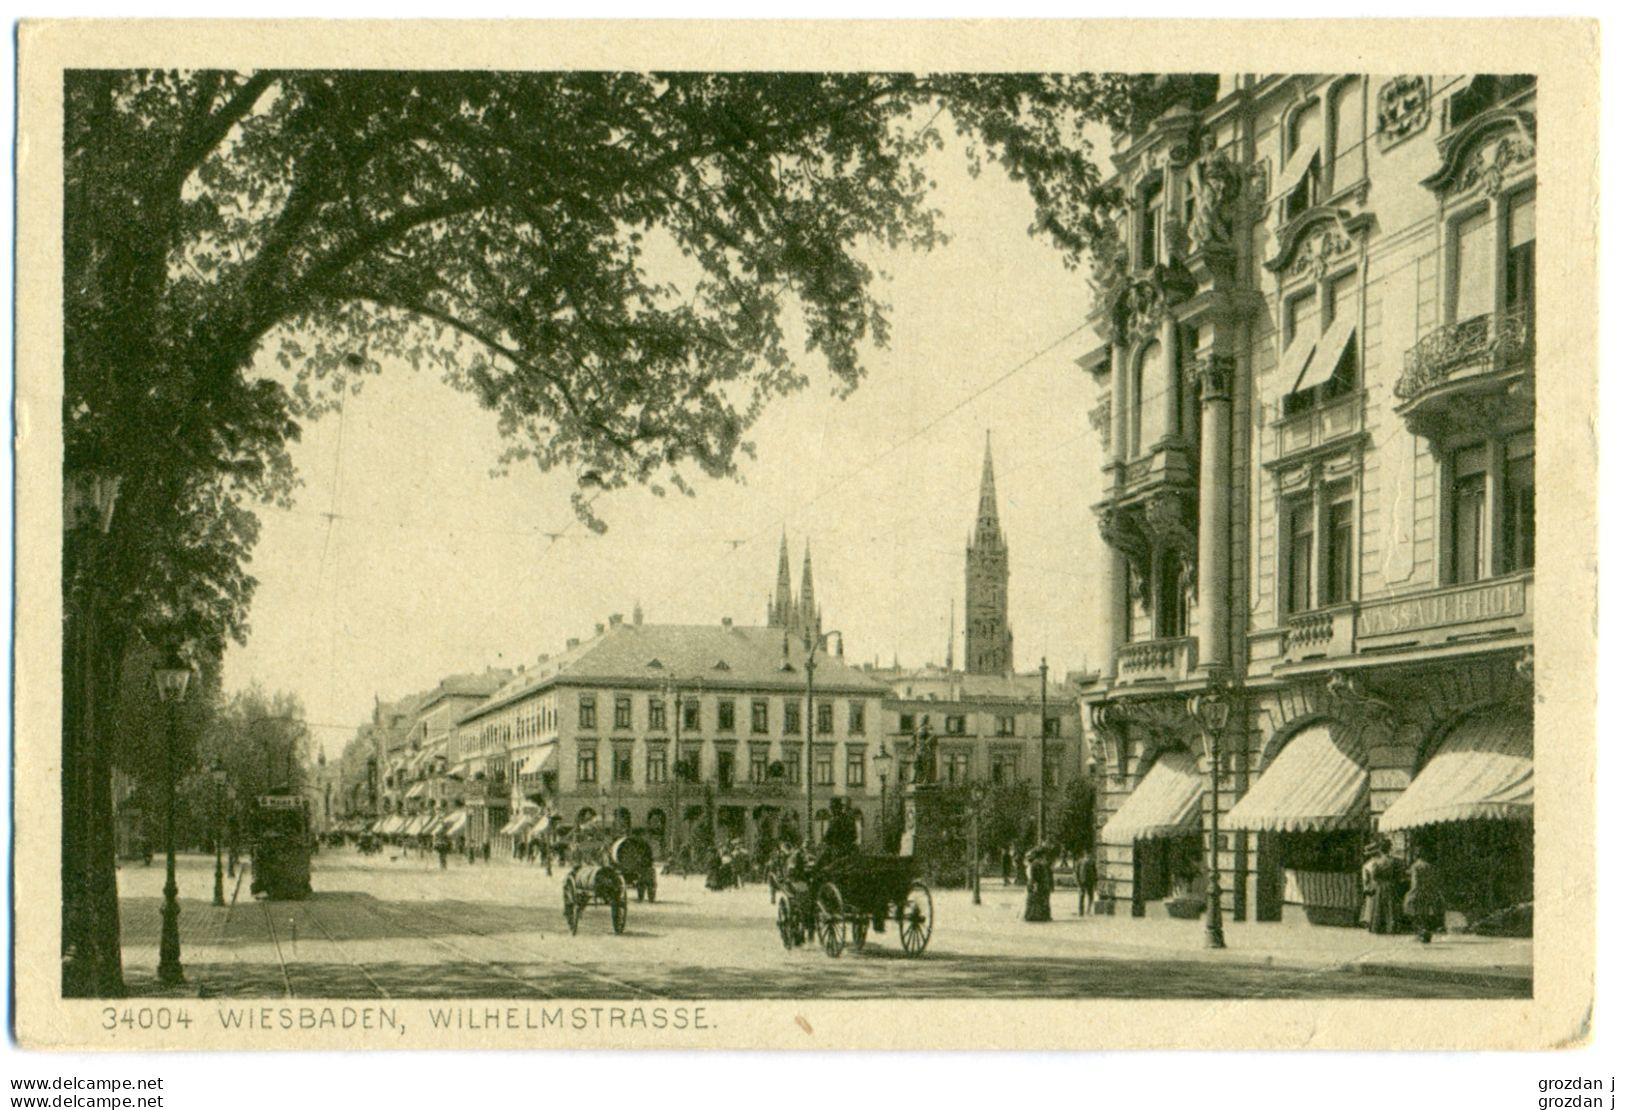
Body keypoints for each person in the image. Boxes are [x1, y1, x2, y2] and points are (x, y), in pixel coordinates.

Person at [1364, 838, 1404, 935]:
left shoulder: (1376, 862)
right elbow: (1398, 875)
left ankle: (1378, 927)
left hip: (1380, 886)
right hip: (1391, 885)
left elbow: (1374, 876)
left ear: (1380, 850)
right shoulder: (1394, 861)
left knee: (1378, 907)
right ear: (1389, 849)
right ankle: (1391, 928)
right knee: (1390, 907)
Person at [1405, 852, 1446, 944]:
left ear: (1416, 856)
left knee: (1415, 912)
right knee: (1425, 913)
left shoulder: (1415, 866)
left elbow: (1415, 881)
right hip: (1428, 892)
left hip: (1418, 891)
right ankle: (1426, 933)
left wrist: (1412, 892)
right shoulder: (1429, 866)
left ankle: (1421, 934)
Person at [1023, 842, 1054, 922]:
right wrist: (1035, 884)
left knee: (1039, 900)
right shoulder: (1036, 864)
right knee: (1038, 900)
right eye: (1043, 855)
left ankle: (1039, 916)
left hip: (1040, 884)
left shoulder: (1039, 863)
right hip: (1038, 884)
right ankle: (1036, 916)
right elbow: (1034, 876)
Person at [1075, 850, 1098, 916]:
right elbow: (1076, 872)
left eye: (1089, 855)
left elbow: (1095, 872)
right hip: (1082, 882)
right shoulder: (1079, 862)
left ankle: (1089, 910)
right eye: (1087, 855)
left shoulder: (1092, 862)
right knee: (1081, 896)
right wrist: (1078, 882)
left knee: (1091, 896)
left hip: (1090, 882)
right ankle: (1080, 911)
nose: (1088, 856)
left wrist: (1095, 882)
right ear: (1084, 855)